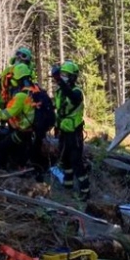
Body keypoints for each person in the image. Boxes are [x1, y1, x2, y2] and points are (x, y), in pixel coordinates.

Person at [0, 62, 42, 171]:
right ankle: (22, 169)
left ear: (17, 80)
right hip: (34, 131)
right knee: (21, 154)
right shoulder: (37, 91)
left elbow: (4, 115)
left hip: (23, 132)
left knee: (3, 147)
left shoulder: (21, 97)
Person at [52, 60, 90, 199]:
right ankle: (68, 185)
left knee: (76, 161)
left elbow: (72, 98)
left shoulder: (77, 92)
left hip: (74, 133)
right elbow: (58, 109)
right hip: (63, 131)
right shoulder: (59, 92)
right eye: (61, 74)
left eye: (66, 75)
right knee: (65, 160)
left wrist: (59, 80)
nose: (63, 77)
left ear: (73, 77)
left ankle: (85, 191)